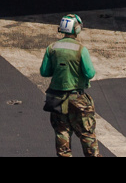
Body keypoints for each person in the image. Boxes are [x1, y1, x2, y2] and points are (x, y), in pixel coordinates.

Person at [40, 13, 98, 157]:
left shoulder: (52, 48)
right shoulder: (81, 49)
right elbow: (90, 73)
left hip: (57, 98)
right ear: (77, 29)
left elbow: (44, 72)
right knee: (87, 133)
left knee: (62, 132)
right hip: (77, 99)